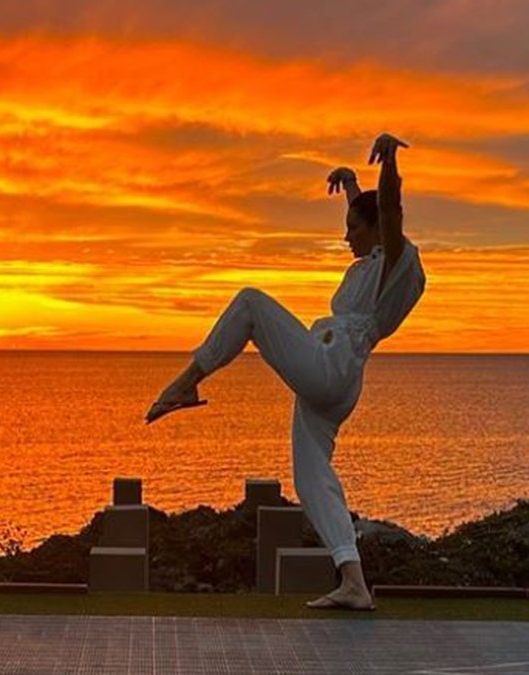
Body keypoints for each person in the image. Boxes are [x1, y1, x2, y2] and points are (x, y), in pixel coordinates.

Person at [145, 133, 427, 610]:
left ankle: (185, 383)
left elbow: (390, 212)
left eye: (351, 228)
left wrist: (389, 164)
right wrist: (353, 183)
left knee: (251, 303)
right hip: (336, 379)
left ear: (373, 229)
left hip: (332, 363)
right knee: (312, 477)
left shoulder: (399, 263)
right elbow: (374, 217)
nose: (345, 237)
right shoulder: (375, 260)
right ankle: (354, 580)